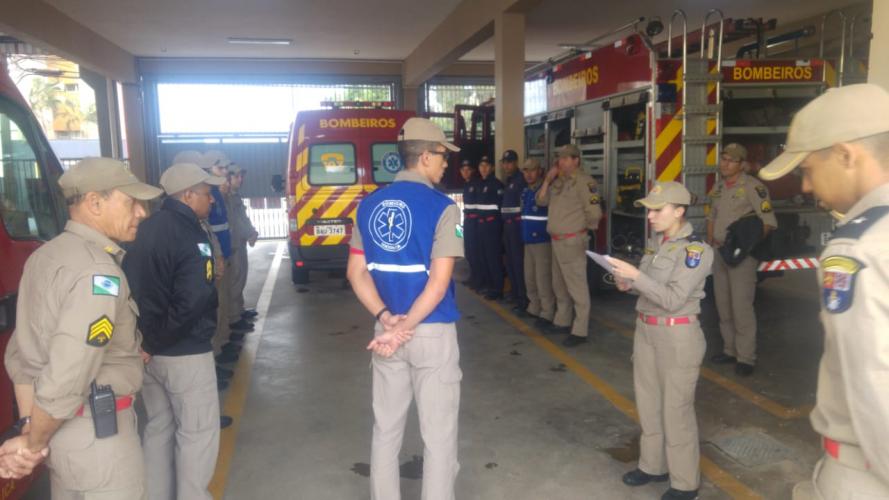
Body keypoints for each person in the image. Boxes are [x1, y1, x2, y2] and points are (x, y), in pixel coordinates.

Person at [0, 158, 163, 498]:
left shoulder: (46, 256)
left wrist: (32, 428)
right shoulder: (97, 274)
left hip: (65, 436)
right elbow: (68, 373)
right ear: (95, 202)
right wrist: (33, 444)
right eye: (132, 202)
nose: (142, 214)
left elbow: (23, 355)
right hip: (99, 441)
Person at [757, 83, 889, 500]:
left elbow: (876, 383)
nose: (808, 187)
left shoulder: (857, 249)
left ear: (846, 155)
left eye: (808, 169)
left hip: (866, 476)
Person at [347, 117, 463, 500]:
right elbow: (439, 282)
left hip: (387, 334)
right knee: (439, 436)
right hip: (429, 333)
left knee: (386, 431)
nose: (446, 163)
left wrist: (386, 320)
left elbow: (356, 272)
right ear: (425, 157)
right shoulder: (443, 208)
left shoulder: (369, 205)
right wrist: (406, 326)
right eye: (443, 155)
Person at [122, 163, 226, 500]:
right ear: (188, 194)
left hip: (149, 354)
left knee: (159, 427)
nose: (211, 201)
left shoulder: (144, 229)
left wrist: (147, 342)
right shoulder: (191, 234)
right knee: (197, 433)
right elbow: (194, 299)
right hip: (184, 353)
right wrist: (156, 341)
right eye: (207, 194)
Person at [607, 182, 713, 500]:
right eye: (649, 209)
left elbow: (672, 298)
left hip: (677, 335)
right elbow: (646, 284)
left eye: (657, 209)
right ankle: (652, 465)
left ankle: (684, 483)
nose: (650, 215)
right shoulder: (657, 244)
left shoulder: (697, 251)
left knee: (676, 410)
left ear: (679, 211)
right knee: (648, 404)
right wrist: (626, 281)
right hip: (647, 331)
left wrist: (637, 277)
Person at [705, 143, 777, 376]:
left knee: (741, 307)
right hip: (719, 253)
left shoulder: (754, 188)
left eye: (731, 160)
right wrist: (711, 243)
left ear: (742, 164)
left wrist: (746, 248)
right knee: (723, 306)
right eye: (723, 158)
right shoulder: (717, 188)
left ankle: (746, 357)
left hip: (741, 258)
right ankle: (730, 350)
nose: (724, 163)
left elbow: (767, 222)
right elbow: (711, 217)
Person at [535, 144, 602, 347]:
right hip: (557, 241)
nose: (561, 162)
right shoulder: (558, 181)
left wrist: (582, 232)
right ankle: (563, 320)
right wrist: (547, 179)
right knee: (559, 285)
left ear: (576, 160)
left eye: (566, 158)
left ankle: (580, 330)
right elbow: (541, 201)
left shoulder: (584, 182)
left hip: (572, 240)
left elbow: (595, 213)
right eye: (560, 159)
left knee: (577, 287)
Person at [519, 158, 555, 327]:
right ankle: (534, 307)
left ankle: (547, 312)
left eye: (532, 170)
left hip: (542, 241)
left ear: (540, 171)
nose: (528, 174)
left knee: (543, 278)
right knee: (530, 277)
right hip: (528, 241)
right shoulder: (526, 191)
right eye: (525, 171)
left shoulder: (545, 190)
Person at [227, 163, 259, 330]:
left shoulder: (235, 196)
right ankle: (233, 318)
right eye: (237, 176)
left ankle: (239, 310)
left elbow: (243, 219)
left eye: (241, 176)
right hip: (232, 244)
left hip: (238, 243)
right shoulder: (226, 198)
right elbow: (235, 222)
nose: (241, 179)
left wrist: (251, 231)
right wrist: (249, 234)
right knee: (234, 279)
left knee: (241, 277)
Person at [500, 149, 528, 312]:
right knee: (510, 262)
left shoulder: (520, 180)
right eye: (504, 162)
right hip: (508, 227)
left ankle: (522, 299)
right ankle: (515, 293)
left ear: (516, 163)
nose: (506, 165)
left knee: (518, 263)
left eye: (509, 162)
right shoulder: (509, 180)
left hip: (516, 226)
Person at [475, 156, 505, 300]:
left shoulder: (496, 185)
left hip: (492, 225)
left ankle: (497, 289)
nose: (484, 168)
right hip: (481, 225)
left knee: (493, 258)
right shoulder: (479, 184)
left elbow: (500, 208)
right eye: (481, 165)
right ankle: (489, 286)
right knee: (484, 257)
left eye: (487, 165)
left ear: (492, 168)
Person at [459, 159, 482, 291]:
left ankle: (478, 280)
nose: (465, 172)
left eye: (468, 170)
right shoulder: (467, 185)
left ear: (472, 171)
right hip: (467, 221)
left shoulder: (476, 184)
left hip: (475, 222)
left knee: (476, 252)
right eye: (463, 170)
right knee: (469, 252)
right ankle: (473, 278)